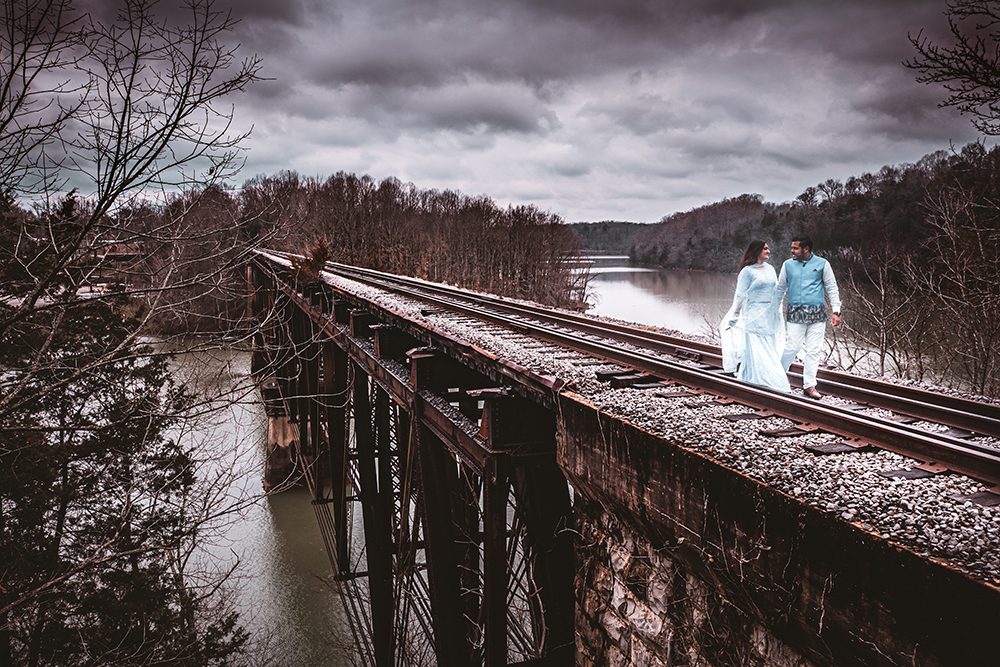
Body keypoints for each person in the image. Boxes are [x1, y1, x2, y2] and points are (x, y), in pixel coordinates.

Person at [775, 235, 841, 399]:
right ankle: (777, 377)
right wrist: (772, 309)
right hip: (796, 313)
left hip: (817, 315)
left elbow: (832, 287)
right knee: (792, 347)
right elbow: (780, 288)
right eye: (792, 247)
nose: (792, 251)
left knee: (813, 351)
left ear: (806, 249)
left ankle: (809, 386)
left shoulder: (822, 264)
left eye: (795, 248)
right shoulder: (787, 265)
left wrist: (836, 311)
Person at [720, 240, 790, 392]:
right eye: (765, 248)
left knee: (768, 345)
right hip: (753, 313)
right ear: (757, 250)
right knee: (758, 346)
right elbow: (740, 295)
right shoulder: (747, 271)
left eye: (768, 248)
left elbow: (776, 291)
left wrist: (777, 311)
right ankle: (765, 379)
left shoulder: (770, 268)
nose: (768, 250)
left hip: (769, 312)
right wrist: (736, 314)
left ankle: (754, 377)